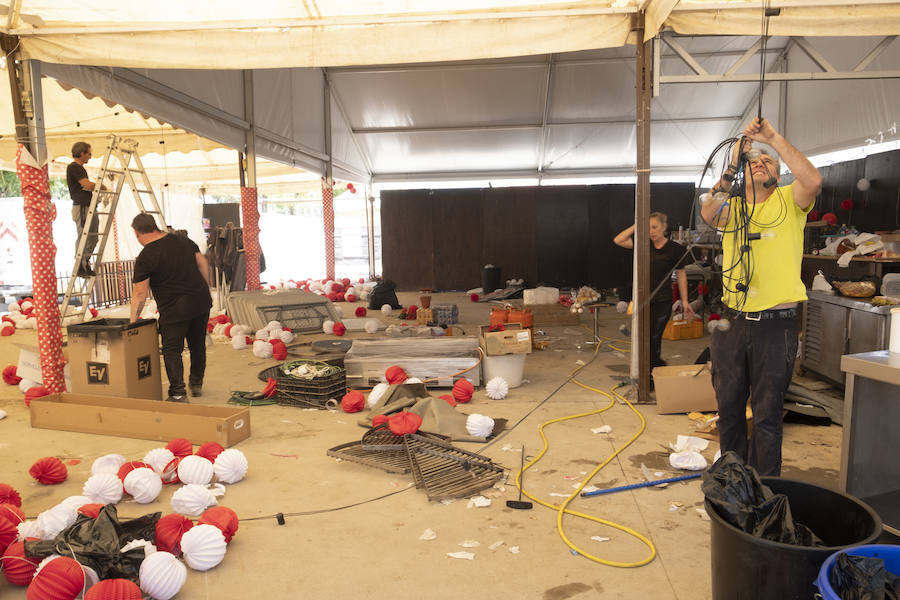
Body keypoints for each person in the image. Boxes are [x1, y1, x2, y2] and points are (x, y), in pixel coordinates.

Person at [700, 117, 822, 476]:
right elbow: (708, 212)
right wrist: (733, 163)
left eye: (768, 162)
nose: (760, 163)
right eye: (755, 161)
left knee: (767, 415)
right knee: (729, 409)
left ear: (778, 173)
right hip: (732, 322)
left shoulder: (790, 199)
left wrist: (771, 139)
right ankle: (733, 484)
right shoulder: (733, 208)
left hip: (775, 325)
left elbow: (812, 180)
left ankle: (765, 491)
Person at [130, 213, 212, 402]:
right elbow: (202, 263)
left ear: (137, 233)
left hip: (175, 309)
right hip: (200, 302)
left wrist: (132, 322)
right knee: (197, 344)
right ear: (155, 226)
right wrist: (206, 290)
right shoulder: (183, 241)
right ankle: (196, 383)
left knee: (172, 350)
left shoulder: (146, 256)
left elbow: (140, 293)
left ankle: (177, 392)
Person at [614, 212, 694, 369]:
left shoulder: (674, 249)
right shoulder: (643, 244)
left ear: (664, 227)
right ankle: (654, 369)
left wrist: (685, 301)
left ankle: (652, 372)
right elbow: (618, 240)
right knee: (643, 338)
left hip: (663, 300)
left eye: (655, 227)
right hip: (643, 298)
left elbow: (681, 275)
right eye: (648, 227)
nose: (651, 231)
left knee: (654, 337)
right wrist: (637, 225)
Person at [66, 141, 104, 278]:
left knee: (93, 237)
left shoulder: (79, 168)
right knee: (85, 235)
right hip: (82, 206)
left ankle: (85, 263)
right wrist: (100, 186)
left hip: (87, 205)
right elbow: (86, 184)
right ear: (81, 153)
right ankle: (80, 266)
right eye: (89, 153)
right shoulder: (74, 167)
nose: (90, 156)